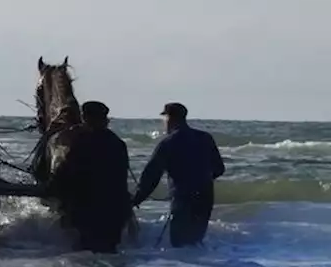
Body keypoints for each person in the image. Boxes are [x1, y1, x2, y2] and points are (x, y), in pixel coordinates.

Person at [131, 102, 226, 247]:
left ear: (170, 118)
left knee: (180, 243)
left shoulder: (168, 143)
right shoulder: (205, 138)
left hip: (183, 199)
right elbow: (219, 169)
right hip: (205, 197)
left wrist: (135, 200)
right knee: (195, 242)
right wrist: (200, 180)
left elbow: (151, 177)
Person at [46, 100, 132, 253]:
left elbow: (65, 172)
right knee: (109, 253)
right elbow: (121, 178)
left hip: (87, 212)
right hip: (115, 212)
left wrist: (52, 188)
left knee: (85, 254)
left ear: (86, 118)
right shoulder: (118, 143)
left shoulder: (80, 142)